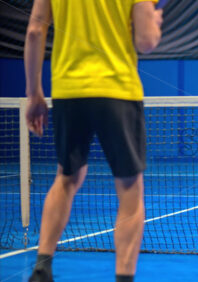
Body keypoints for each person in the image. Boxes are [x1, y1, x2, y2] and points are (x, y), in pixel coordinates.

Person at [24, 0, 162, 281]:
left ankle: (42, 268)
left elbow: (35, 31)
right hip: (118, 89)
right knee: (129, 188)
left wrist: (34, 93)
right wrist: (155, 24)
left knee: (66, 177)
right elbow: (145, 41)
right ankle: (124, 277)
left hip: (68, 90)